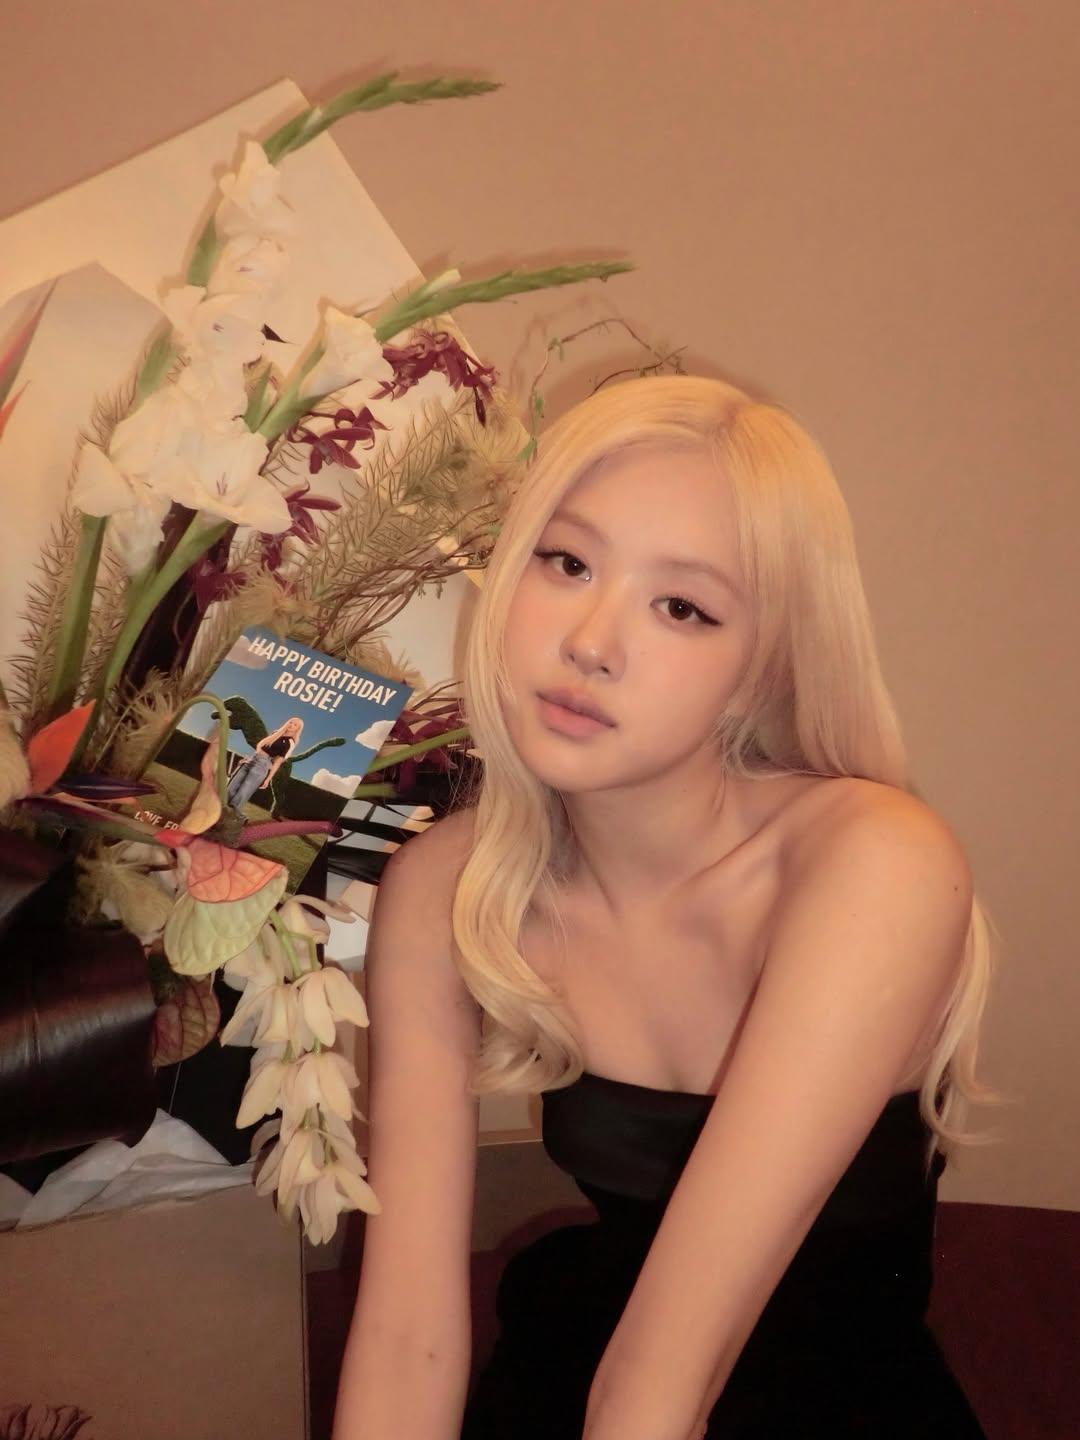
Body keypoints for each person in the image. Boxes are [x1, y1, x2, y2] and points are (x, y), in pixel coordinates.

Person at [332, 375, 998, 1439]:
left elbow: (655, 1393)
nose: (592, 641)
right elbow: (407, 1336)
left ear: (758, 669)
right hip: (573, 1370)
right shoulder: (442, 885)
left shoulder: (875, 865)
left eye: (683, 607)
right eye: (568, 562)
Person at [225, 715, 303, 812]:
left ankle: (231, 813)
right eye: (291, 722)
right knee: (231, 786)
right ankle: (220, 807)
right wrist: (253, 756)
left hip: (262, 765)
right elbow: (261, 744)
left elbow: (278, 762)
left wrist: (268, 779)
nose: (291, 725)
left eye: (295, 725)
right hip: (252, 758)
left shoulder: (290, 743)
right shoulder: (276, 733)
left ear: (297, 729)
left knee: (243, 792)